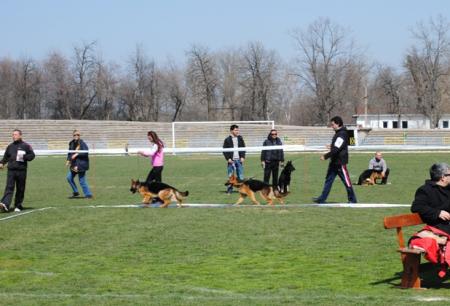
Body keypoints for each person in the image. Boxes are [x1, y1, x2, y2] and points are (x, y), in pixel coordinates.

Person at [313, 116, 357, 204]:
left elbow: (337, 149)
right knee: (328, 180)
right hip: (334, 162)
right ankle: (322, 198)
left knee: (347, 181)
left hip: (340, 163)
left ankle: (352, 199)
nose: (331, 126)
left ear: (338, 124)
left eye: (333, 124)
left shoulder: (342, 134)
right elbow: (337, 146)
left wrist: (325, 156)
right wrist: (331, 146)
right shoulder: (338, 133)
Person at [0, 129, 35, 212]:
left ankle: (18, 205)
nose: (14, 136)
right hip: (11, 170)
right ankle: (5, 204)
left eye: (15, 134)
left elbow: (32, 156)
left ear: (20, 135)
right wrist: (1, 163)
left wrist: (24, 156)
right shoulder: (10, 146)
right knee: (9, 187)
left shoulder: (26, 145)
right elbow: (6, 157)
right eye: (13, 135)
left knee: (20, 188)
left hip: (21, 170)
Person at [411, 163, 450, 234]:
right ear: (443, 177)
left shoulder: (448, 188)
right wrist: (438, 213)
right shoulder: (426, 190)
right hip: (439, 229)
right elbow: (417, 207)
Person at [66, 130, 92, 199]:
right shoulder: (71, 143)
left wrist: (77, 154)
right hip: (74, 164)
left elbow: (86, 152)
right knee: (69, 178)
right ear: (73, 135)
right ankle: (76, 192)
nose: (76, 136)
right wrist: (68, 160)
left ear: (79, 136)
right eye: (75, 135)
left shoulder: (82, 143)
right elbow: (70, 153)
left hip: (81, 164)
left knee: (82, 181)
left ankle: (88, 195)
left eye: (78, 135)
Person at [223, 124, 246, 194]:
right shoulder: (227, 140)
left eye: (237, 130)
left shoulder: (240, 138)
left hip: (239, 160)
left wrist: (242, 157)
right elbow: (224, 150)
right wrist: (228, 159)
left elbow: (243, 148)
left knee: (241, 175)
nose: (237, 131)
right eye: (236, 130)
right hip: (231, 161)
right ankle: (229, 190)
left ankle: (242, 190)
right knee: (230, 176)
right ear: (231, 131)